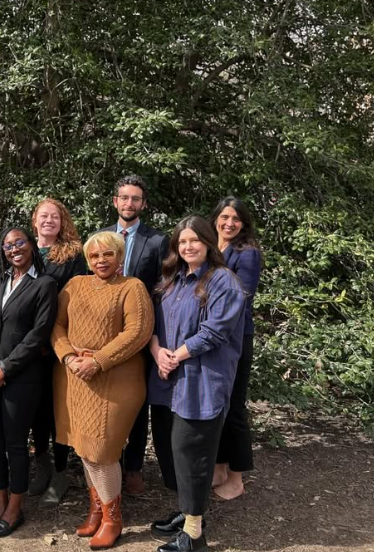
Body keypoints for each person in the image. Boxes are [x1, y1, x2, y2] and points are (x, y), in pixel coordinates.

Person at [148, 216, 245, 552]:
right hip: (168, 381)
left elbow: (216, 331)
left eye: (195, 240)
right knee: (173, 451)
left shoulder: (223, 281)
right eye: (182, 241)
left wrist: (176, 356)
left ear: (207, 242)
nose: (188, 247)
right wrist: (159, 351)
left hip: (201, 382)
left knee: (193, 455)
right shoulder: (172, 281)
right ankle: (187, 512)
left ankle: (194, 535)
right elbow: (154, 324)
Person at [51, 231, 153, 549]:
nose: (100, 260)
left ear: (119, 256)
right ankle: (96, 509)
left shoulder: (132, 287)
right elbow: (56, 326)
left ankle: (113, 518)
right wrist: (68, 355)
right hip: (75, 377)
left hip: (116, 380)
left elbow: (138, 332)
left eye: (107, 254)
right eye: (94, 256)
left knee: (102, 451)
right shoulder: (74, 285)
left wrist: (98, 360)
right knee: (84, 448)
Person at [0, 227, 58, 538]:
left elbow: (38, 335)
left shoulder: (45, 284)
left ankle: (14, 508)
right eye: (8, 245)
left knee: (15, 444)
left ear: (31, 245)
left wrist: (5, 368)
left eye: (20, 242)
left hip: (22, 377)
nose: (14, 249)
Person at [100, 175, 169, 495]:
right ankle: (105, 462)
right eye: (124, 198)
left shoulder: (157, 241)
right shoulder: (100, 238)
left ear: (143, 204)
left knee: (136, 403)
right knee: (106, 400)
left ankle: (134, 468)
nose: (130, 203)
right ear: (115, 201)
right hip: (103, 335)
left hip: (139, 335)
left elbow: (162, 289)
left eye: (136, 199)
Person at [29, 198, 88, 505]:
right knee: (36, 410)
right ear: (34, 221)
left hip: (58, 341)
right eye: (44, 216)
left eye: (55, 216)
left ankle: (61, 473)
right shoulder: (23, 250)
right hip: (26, 344)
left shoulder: (73, 255)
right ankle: (42, 466)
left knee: (58, 411)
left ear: (63, 222)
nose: (49, 220)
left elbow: (77, 299)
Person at [209, 197, 262, 500]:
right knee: (217, 405)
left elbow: (242, 295)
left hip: (236, 337)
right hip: (212, 336)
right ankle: (218, 467)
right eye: (225, 217)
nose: (229, 223)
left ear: (243, 224)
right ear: (216, 218)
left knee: (235, 408)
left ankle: (237, 477)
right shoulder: (210, 247)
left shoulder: (247, 253)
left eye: (236, 219)